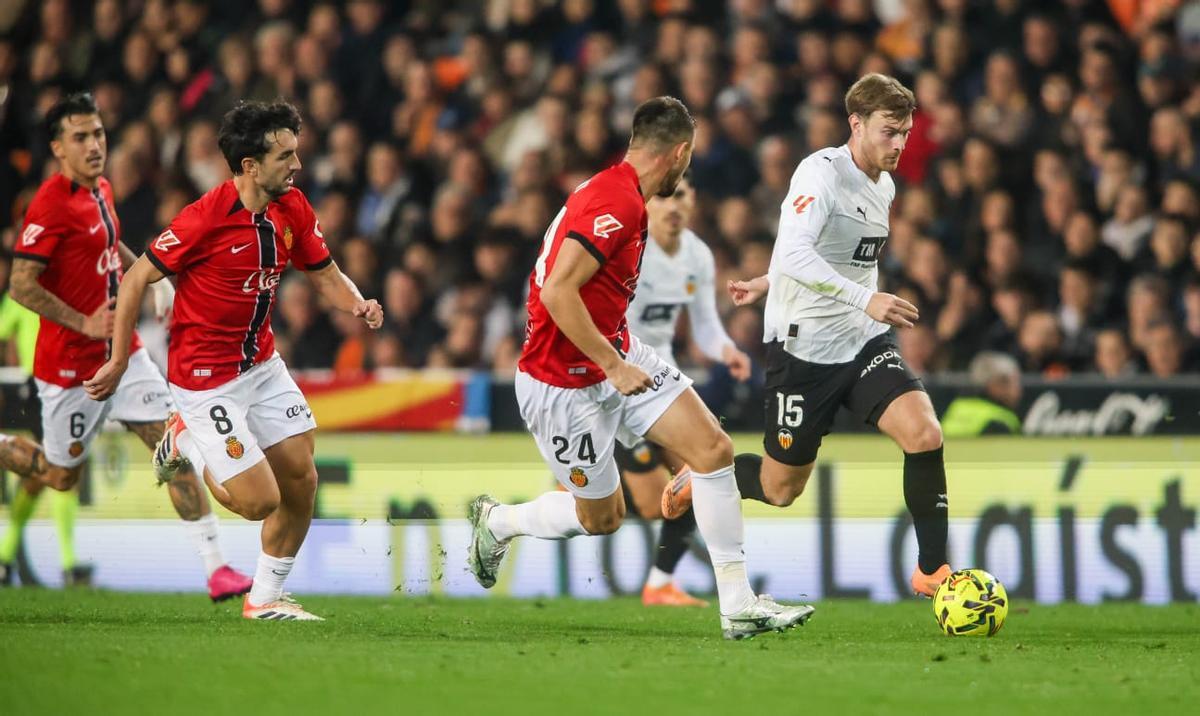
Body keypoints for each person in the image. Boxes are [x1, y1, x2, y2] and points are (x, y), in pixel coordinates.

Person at [466, 96, 813, 640]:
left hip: (618, 353)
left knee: (712, 449)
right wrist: (611, 364)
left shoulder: (619, 192)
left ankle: (738, 605)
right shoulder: (618, 202)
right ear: (679, 153)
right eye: (689, 158)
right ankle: (498, 522)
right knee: (602, 517)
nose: (688, 168)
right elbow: (558, 291)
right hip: (562, 382)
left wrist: (616, 358)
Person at [85, 99, 384, 621]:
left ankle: (264, 599)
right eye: (285, 155)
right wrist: (116, 360)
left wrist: (356, 302)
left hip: (262, 365)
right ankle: (185, 440)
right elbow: (135, 279)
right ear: (250, 166)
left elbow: (324, 272)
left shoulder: (293, 207)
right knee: (256, 501)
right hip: (205, 380)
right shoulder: (203, 219)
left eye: (296, 152)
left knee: (303, 478)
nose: (297, 164)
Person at [664, 74, 953, 597]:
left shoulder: (883, 185)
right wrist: (861, 296)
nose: (900, 144)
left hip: (862, 339)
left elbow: (825, 254)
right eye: (890, 132)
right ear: (856, 123)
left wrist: (770, 280)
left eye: (906, 133)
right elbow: (797, 250)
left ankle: (933, 571)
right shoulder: (820, 174)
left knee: (924, 432)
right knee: (779, 488)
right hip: (804, 349)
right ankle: (702, 477)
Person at [0, 93, 251, 599]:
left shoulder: (101, 190)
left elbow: (111, 243)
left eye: (98, 133)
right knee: (60, 476)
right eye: (80, 137)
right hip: (71, 370)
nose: (94, 145)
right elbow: (21, 285)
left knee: (170, 443)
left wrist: (152, 278)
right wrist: (83, 322)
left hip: (126, 352)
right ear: (57, 148)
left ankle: (216, 569)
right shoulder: (49, 204)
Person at [617, 175, 752, 607]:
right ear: (648, 204)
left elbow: (705, 323)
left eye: (681, 196)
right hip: (619, 385)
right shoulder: (630, 252)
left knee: (704, 475)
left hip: (662, 379)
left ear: (693, 202)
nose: (673, 206)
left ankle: (659, 583)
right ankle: (580, 484)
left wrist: (726, 349)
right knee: (652, 503)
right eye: (664, 197)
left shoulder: (697, 254)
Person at [941, 352, 1023, 436]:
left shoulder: (958, 406)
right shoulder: (1002, 422)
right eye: (1015, 382)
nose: (1019, 389)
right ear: (995, 385)